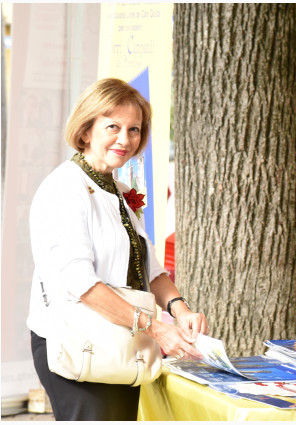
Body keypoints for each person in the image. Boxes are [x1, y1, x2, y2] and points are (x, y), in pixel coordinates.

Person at [27, 78, 210, 421]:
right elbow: (82, 285)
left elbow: (151, 270)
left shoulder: (120, 190)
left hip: (119, 341)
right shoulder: (66, 189)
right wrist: (156, 328)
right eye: (113, 127)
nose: (125, 139)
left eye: (135, 129)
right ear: (85, 131)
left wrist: (181, 310)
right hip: (76, 341)